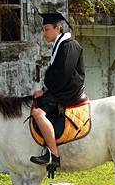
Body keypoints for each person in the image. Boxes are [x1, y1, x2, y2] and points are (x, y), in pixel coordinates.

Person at [30, 12, 85, 169]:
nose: (44, 33)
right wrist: (44, 89)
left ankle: (53, 155)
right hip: (60, 88)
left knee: (38, 113)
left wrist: (47, 91)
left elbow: (63, 75)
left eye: (46, 29)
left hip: (67, 90)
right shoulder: (61, 45)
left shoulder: (69, 46)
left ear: (57, 28)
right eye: (43, 30)